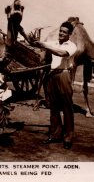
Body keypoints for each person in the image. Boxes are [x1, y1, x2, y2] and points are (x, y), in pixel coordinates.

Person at [33, 21, 77, 149]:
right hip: (51, 76)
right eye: (60, 31)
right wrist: (29, 37)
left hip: (64, 75)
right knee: (53, 107)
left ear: (69, 34)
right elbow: (36, 44)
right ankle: (55, 135)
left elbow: (61, 53)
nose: (61, 33)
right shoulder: (54, 43)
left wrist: (44, 45)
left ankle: (68, 137)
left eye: (64, 32)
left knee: (67, 107)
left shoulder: (72, 46)